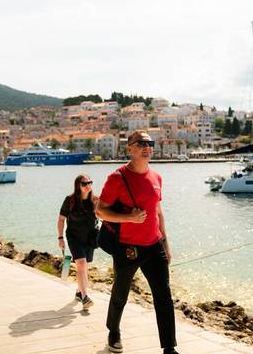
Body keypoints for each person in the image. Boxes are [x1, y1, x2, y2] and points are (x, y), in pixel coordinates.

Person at [95, 130, 178, 354]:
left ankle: (169, 348)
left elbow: (158, 213)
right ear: (129, 148)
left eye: (150, 143)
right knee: (120, 293)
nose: (147, 146)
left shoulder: (157, 177)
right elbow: (100, 211)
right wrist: (128, 218)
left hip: (154, 246)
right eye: (141, 143)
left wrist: (166, 246)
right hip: (127, 248)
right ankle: (114, 332)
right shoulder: (117, 178)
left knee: (164, 296)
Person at [58, 174, 98, 310]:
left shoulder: (95, 200)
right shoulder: (69, 200)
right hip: (74, 237)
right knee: (81, 264)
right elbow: (61, 220)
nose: (88, 186)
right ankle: (85, 297)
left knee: (85, 267)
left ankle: (79, 291)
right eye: (84, 183)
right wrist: (60, 238)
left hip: (90, 238)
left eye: (90, 183)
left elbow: (105, 216)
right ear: (78, 186)